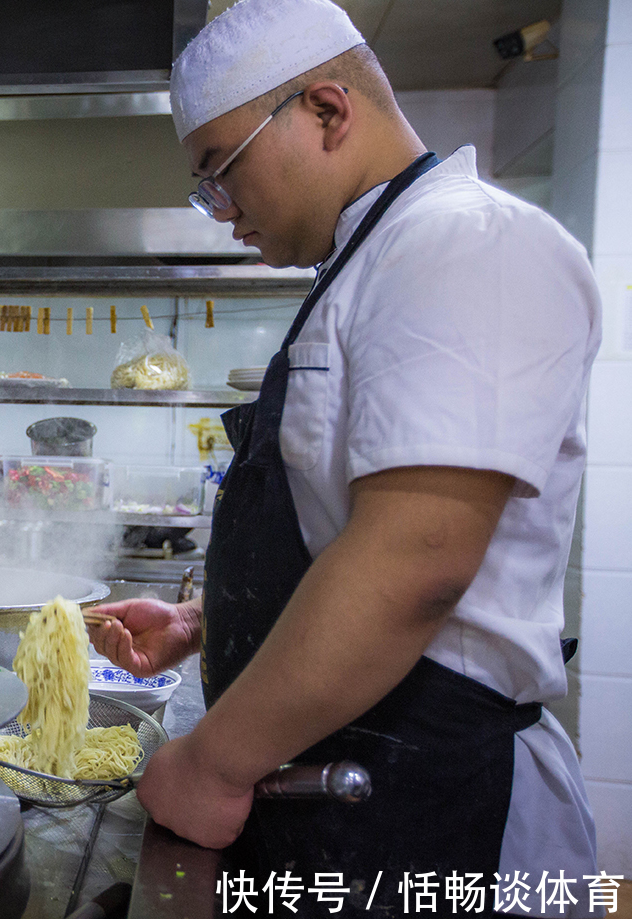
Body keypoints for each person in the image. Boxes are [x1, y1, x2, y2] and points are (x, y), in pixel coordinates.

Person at [87, 0, 603, 913]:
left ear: (326, 111)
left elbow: (417, 562)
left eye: (221, 173)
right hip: (346, 794)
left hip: (437, 812)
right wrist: (215, 618)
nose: (222, 213)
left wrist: (209, 763)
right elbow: (349, 527)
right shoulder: (368, 266)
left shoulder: (465, 242)